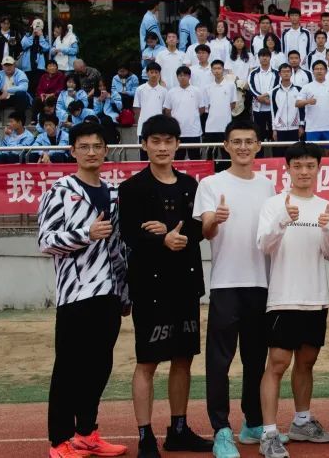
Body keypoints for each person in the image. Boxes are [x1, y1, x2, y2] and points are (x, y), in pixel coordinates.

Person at [119, 115, 211, 458]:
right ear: (144, 144)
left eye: (168, 141)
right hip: (150, 288)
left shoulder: (190, 185)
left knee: (183, 359)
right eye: (155, 141)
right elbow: (130, 234)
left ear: (177, 145)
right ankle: (145, 436)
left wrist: (170, 229)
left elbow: (198, 228)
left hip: (186, 285)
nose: (162, 147)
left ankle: (179, 429)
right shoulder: (132, 188)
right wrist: (161, 240)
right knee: (148, 361)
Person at [38, 121, 130, 458]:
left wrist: (124, 293)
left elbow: (117, 246)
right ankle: (60, 441)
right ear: (73, 151)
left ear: (106, 151)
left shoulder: (113, 194)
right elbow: (45, 241)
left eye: (97, 146)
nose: (91, 152)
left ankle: (87, 433)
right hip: (75, 296)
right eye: (84, 146)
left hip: (108, 295)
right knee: (68, 370)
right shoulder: (60, 190)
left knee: (99, 368)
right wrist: (85, 234)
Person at [192, 119, 279, 457]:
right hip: (226, 284)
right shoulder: (211, 184)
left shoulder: (268, 186)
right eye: (236, 142)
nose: (243, 147)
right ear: (226, 146)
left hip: (261, 283)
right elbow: (206, 231)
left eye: (249, 141)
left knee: (256, 359)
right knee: (220, 362)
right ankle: (221, 430)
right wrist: (215, 219)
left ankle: (253, 422)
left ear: (258, 146)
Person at [255, 141, 329, 458]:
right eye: (298, 166)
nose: (304, 171)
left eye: (310, 166)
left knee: (307, 362)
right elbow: (264, 245)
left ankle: (302, 421)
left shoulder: (327, 207)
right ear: (288, 169)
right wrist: (283, 219)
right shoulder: (273, 204)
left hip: (316, 298)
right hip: (283, 298)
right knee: (277, 364)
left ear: (318, 168)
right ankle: (268, 433)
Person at [163, 66, 204, 159]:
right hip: (177, 131)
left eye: (185, 75)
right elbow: (167, 110)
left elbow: (201, 109)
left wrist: (193, 117)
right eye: (180, 75)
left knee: (195, 158)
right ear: (177, 77)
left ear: (189, 77)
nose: (182, 77)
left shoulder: (196, 91)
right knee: (178, 159)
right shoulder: (171, 92)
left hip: (193, 131)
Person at [301, 59, 329, 144]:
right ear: (313, 71)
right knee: (312, 151)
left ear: (326, 71)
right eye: (316, 69)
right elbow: (297, 103)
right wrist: (307, 101)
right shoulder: (306, 87)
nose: (319, 71)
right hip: (312, 127)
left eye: (321, 69)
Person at [202, 60, 236, 145]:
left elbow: (233, 104)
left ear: (223, 70)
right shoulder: (207, 87)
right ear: (211, 70)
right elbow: (207, 107)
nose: (217, 71)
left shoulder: (231, 85)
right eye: (214, 68)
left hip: (226, 125)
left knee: (226, 151)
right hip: (210, 127)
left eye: (219, 68)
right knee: (210, 151)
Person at [249, 49, 277, 139]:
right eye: (262, 56)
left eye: (267, 56)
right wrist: (259, 97)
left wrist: (265, 97)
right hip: (258, 108)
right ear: (259, 58)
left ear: (270, 57)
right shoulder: (253, 73)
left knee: (273, 134)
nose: (264, 58)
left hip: (271, 107)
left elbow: (277, 87)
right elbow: (251, 87)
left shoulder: (276, 73)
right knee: (259, 134)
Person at [134, 64, 168, 131]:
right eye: (151, 72)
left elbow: (165, 110)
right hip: (143, 124)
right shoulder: (140, 89)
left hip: (159, 125)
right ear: (147, 73)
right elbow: (137, 108)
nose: (154, 75)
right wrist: (137, 123)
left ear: (159, 74)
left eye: (156, 72)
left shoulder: (164, 91)